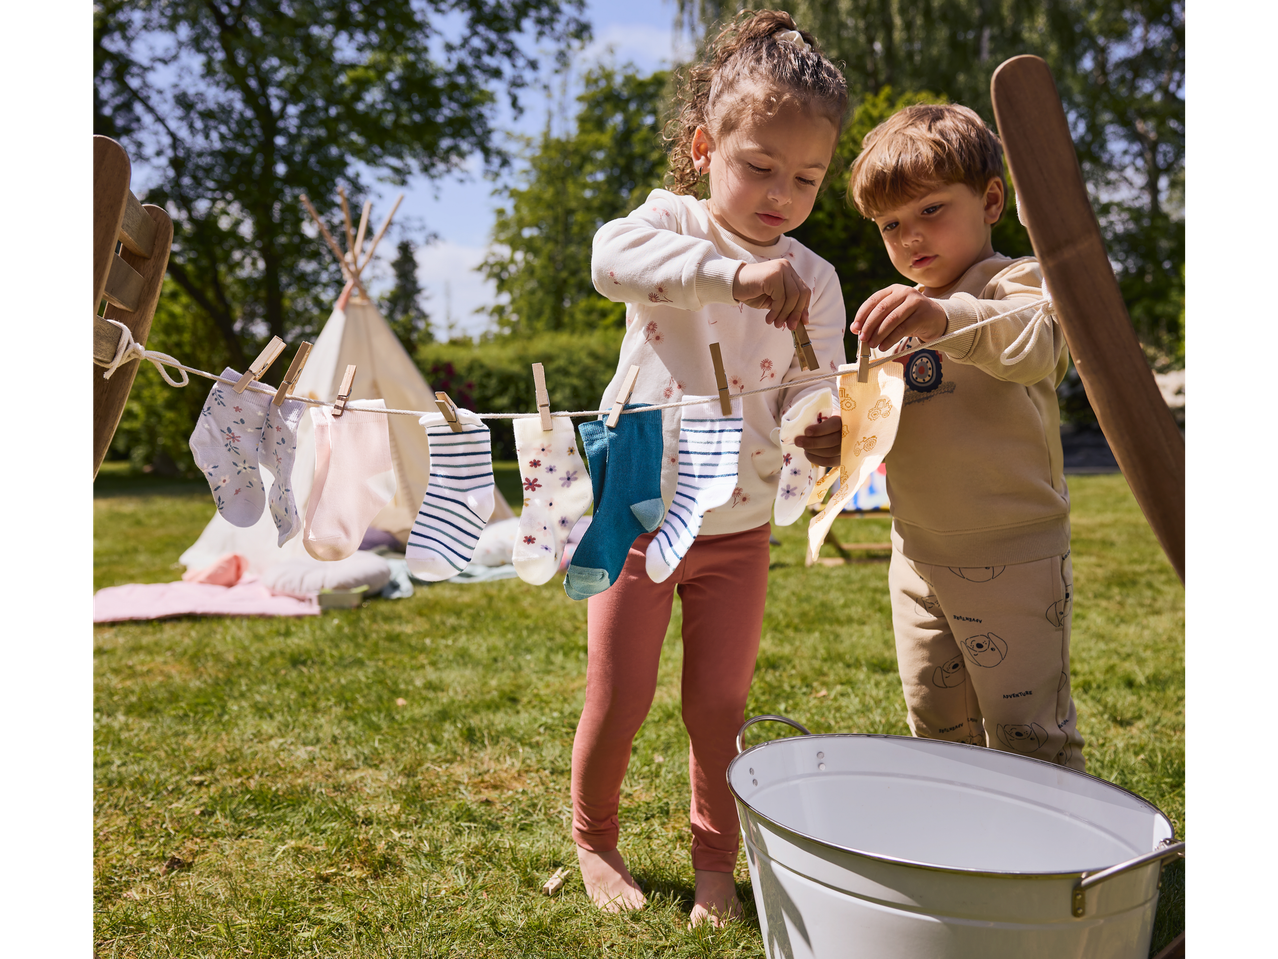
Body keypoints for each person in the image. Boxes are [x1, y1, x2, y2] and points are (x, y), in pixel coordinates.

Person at [574, 10, 848, 926]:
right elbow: (611, 260)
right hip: (640, 509)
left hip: (738, 527)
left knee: (719, 704)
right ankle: (594, 835)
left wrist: (823, 424)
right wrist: (731, 277)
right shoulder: (668, 223)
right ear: (704, 146)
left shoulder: (816, 274)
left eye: (806, 177)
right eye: (759, 166)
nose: (781, 192)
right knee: (622, 696)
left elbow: (814, 382)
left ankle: (714, 863)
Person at [798, 103, 1086, 772]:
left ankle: (1056, 866)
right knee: (938, 731)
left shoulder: (1017, 283)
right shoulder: (902, 315)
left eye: (931, 209)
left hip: (1015, 557)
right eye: (891, 224)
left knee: (1029, 735)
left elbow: (1037, 345)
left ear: (990, 200)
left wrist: (941, 314)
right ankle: (964, 859)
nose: (910, 237)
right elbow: (891, 425)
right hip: (917, 558)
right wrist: (842, 440)